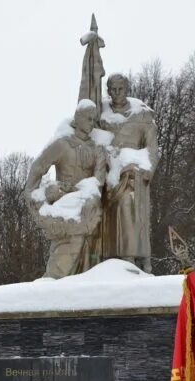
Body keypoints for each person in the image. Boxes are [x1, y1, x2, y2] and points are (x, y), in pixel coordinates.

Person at [23, 100, 107, 278]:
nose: (92, 123)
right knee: (66, 250)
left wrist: (88, 191)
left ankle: (70, 289)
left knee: (86, 252)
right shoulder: (63, 144)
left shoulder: (96, 148)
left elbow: (99, 178)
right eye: (89, 119)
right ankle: (52, 286)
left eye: (94, 120)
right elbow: (39, 167)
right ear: (78, 119)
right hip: (65, 203)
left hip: (87, 203)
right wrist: (32, 193)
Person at [97, 73, 158, 273]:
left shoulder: (142, 115)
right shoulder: (102, 114)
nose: (116, 93)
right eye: (112, 89)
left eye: (120, 89)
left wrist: (146, 169)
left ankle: (131, 257)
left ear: (127, 89)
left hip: (134, 174)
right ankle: (106, 259)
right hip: (108, 172)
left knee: (128, 204)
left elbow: (151, 149)